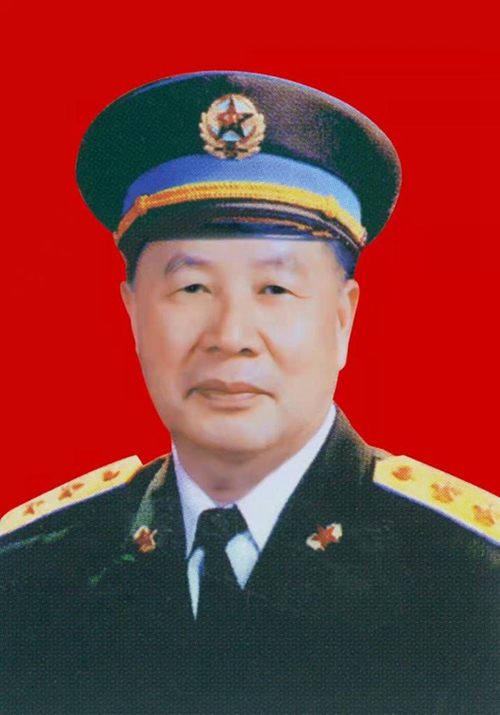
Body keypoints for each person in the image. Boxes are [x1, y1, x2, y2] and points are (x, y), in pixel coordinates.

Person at [0, 71, 498, 715]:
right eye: (191, 289)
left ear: (342, 319)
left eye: (275, 290)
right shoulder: (31, 578)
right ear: (133, 314)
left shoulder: (468, 584)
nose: (231, 337)